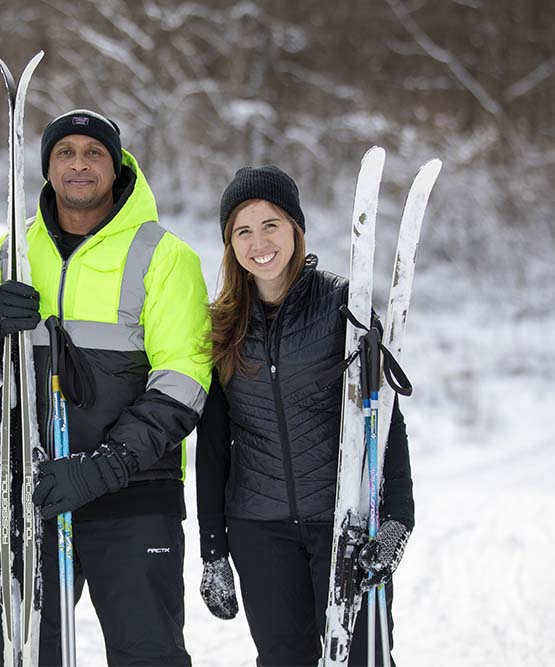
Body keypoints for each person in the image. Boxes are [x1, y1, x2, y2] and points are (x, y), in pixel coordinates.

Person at [0, 109, 212, 666]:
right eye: (64, 153)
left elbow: (184, 380)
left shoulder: (166, 256)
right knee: (27, 651)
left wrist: (102, 467)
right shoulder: (13, 251)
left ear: (117, 164)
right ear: (48, 167)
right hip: (28, 487)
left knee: (146, 653)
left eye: (93, 152)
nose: (79, 164)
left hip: (131, 494)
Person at [195, 166, 415, 666]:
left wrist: (398, 519)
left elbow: (385, 424)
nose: (259, 242)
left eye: (270, 224)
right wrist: (213, 550)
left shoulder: (344, 305)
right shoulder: (223, 324)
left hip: (341, 523)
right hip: (258, 529)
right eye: (242, 231)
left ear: (296, 227)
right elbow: (211, 446)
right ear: (230, 245)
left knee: (367, 658)